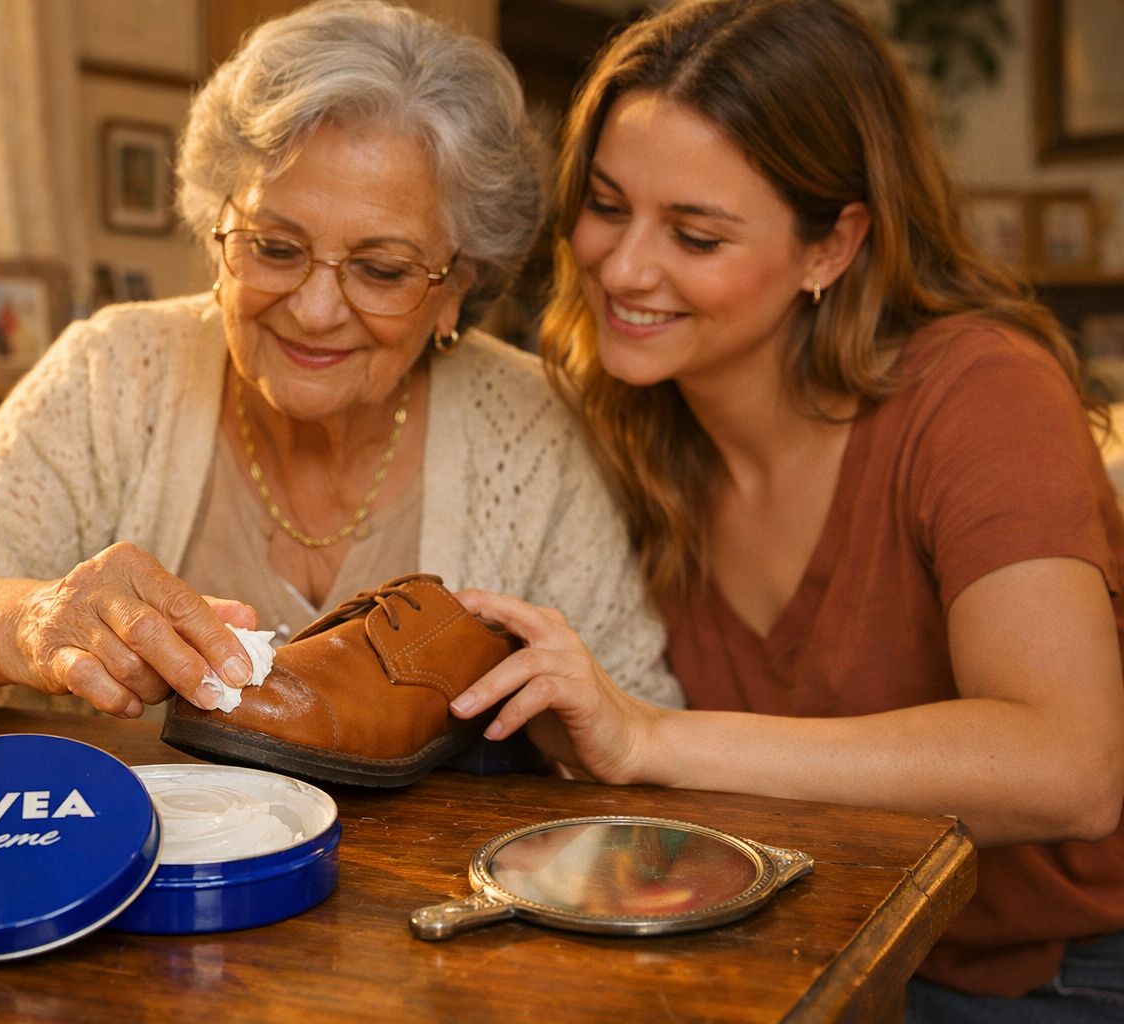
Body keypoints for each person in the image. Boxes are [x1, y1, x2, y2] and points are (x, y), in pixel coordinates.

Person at [449, 0, 1124, 1019]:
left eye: (696, 234)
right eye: (605, 203)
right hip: (807, 946)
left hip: (1049, 969)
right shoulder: (620, 418)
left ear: (831, 246)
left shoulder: (981, 392)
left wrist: (652, 741)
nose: (623, 268)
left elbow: (1067, 768)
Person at [0, 1, 679, 729]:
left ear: (458, 287)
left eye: (380, 270)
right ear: (216, 224)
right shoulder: (119, 372)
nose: (313, 307)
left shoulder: (531, 426)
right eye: (273, 245)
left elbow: (634, 713)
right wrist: (27, 621)